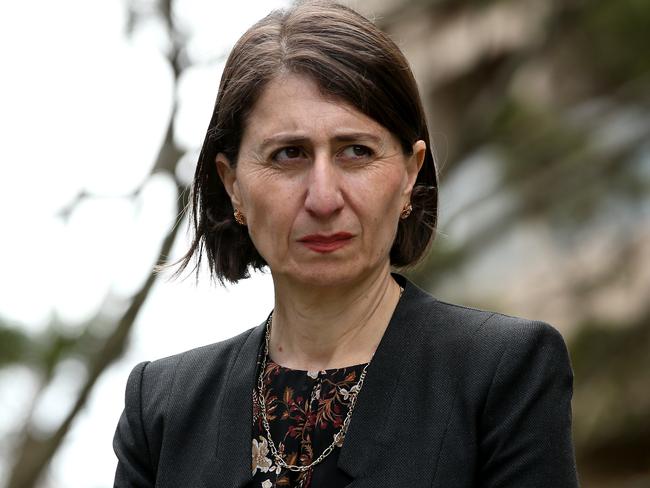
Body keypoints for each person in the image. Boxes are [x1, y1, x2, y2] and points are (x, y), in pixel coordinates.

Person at [113, 2, 579, 487]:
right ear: (233, 185)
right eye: (288, 154)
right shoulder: (161, 410)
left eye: (356, 151)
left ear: (409, 174)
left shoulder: (501, 373)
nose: (323, 197)